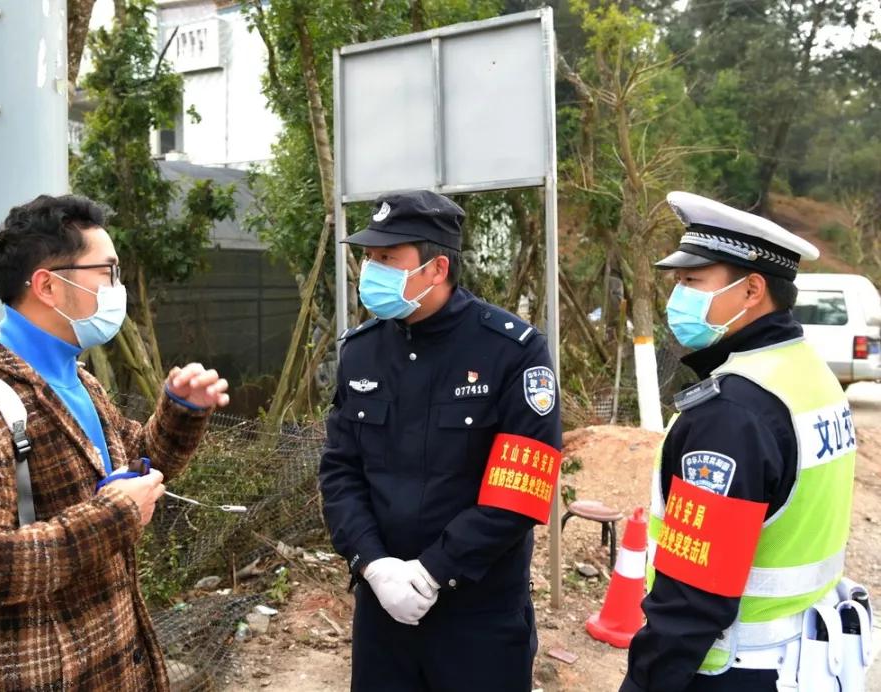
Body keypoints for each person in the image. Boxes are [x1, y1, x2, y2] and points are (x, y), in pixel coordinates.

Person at [0, 194, 229, 691]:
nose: (119, 289)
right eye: (107, 272)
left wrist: (181, 411)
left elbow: (132, 469)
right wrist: (114, 516)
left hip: (116, 664)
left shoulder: (80, 382)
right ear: (49, 286)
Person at [319, 190, 563, 692]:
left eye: (387, 258)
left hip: (479, 614)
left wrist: (433, 573)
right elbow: (340, 471)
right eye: (368, 256)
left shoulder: (512, 351)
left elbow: (519, 491)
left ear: (436, 269)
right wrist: (374, 564)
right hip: (382, 608)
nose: (371, 269)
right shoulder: (361, 353)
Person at [620, 191, 857, 691]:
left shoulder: (733, 411)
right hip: (805, 658)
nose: (675, 299)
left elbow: (694, 592)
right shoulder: (808, 372)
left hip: (734, 667)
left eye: (692, 282)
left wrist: (645, 681)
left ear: (752, 291)